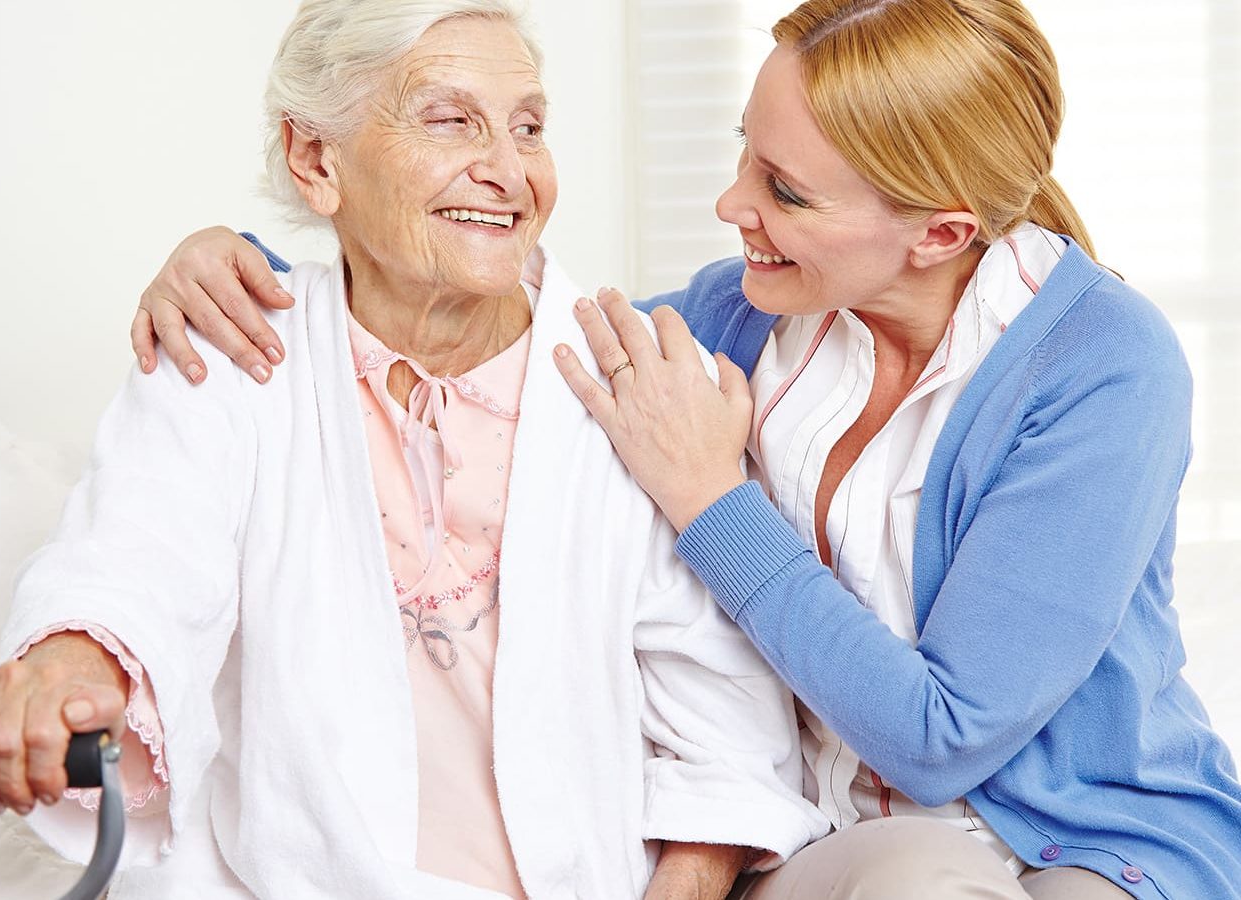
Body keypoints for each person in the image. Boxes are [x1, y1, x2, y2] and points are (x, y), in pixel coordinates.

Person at [131, 1, 1241, 898]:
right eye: (743, 158)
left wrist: (710, 497)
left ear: (941, 234)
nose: (729, 206)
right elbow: (483, 312)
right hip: (832, 840)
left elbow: (940, 739)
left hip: (1082, 834)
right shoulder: (743, 313)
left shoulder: (1102, 367)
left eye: (783, 191)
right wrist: (241, 269)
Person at [0, 2, 832, 898]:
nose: (509, 173)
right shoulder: (227, 360)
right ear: (317, 160)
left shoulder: (642, 385)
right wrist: (59, 675)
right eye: (450, 121)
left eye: (529, 127)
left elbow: (727, 739)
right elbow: (133, 565)